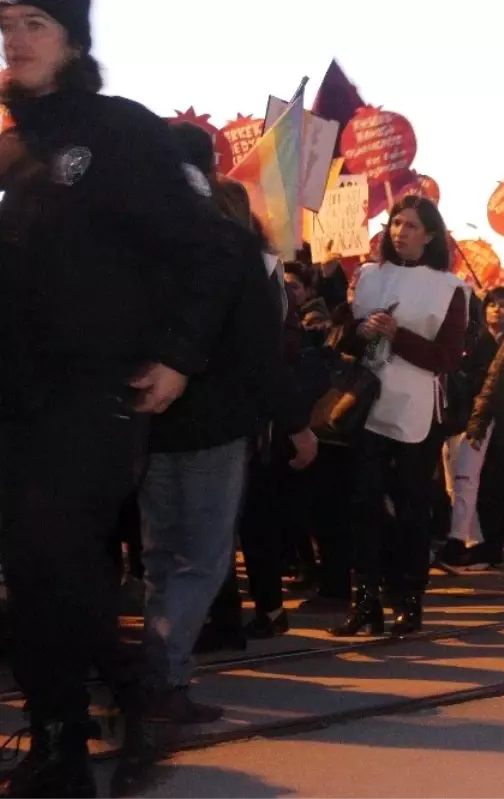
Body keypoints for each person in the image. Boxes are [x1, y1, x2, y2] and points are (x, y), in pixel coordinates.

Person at [0, 2, 244, 795]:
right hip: (14, 395)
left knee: (52, 556)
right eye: (5, 22)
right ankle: (61, 744)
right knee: (35, 573)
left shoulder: (119, 132)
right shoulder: (8, 145)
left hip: (93, 389)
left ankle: (127, 700)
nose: (15, 37)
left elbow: (208, 248)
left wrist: (179, 355)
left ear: (73, 39)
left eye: (35, 21)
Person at [139, 126, 318, 725]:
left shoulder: (139, 242)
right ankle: (160, 677)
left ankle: (162, 674)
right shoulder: (227, 244)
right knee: (203, 560)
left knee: (162, 557)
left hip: (150, 425)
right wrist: (296, 423)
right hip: (212, 430)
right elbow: (257, 351)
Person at [333, 196, 469, 637]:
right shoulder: (369, 276)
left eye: (411, 225)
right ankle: (364, 601)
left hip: (416, 409)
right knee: (362, 507)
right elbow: (344, 340)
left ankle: (409, 601)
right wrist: (361, 331)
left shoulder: (449, 288)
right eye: (395, 223)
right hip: (368, 404)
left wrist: (399, 336)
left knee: (411, 509)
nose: (400, 232)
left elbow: (446, 357)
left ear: (429, 235)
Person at [442, 286, 504, 569]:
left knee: (495, 484)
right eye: (491, 304)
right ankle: (466, 540)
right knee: (464, 481)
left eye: (503, 305)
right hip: (475, 419)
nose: (496, 310)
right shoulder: (475, 341)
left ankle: (489, 545)